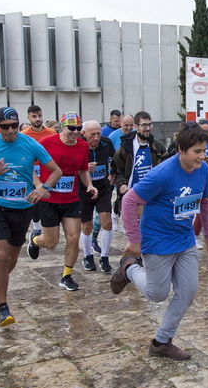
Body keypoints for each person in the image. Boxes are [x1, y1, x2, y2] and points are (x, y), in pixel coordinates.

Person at [110, 123, 208, 361]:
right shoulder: (163, 173)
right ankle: (129, 269)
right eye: (197, 151)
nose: (202, 156)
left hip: (184, 240)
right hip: (157, 241)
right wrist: (134, 239)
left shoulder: (204, 171)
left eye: (204, 150)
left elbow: (206, 202)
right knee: (157, 294)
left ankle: (161, 342)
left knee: (187, 292)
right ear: (181, 149)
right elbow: (128, 201)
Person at [0, 107, 62, 327]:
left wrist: (43, 188)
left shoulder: (29, 144)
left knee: (11, 258)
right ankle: (3, 306)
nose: (10, 130)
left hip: (23, 209)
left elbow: (56, 170)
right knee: (1, 256)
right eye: (5, 127)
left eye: (13, 125)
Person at [27, 112, 98, 292]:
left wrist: (89, 185)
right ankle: (35, 240)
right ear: (62, 127)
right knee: (51, 242)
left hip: (71, 199)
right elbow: (29, 166)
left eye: (78, 129)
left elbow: (83, 170)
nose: (75, 132)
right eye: (71, 128)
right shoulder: (47, 143)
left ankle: (67, 275)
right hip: (49, 199)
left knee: (74, 237)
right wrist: (39, 186)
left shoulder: (82, 146)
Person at [111, 111, 165, 231]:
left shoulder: (158, 146)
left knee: (149, 230)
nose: (147, 128)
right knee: (134, 234)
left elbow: (166, 168)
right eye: (144, 125)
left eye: (149, 125)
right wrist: (122, 184)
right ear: (136, 127)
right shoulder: (126, 148)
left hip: (152, 195)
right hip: (132, 194)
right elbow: (115, 170)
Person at [76, 121, 116, 273]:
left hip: (103, 187)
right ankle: (88, 256)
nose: (96, 137)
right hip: (83, 189)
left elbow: (115, 159)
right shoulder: (78, 146)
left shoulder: (106, 143)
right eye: (92, 134)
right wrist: (84, 167)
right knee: (87, 226)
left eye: (98, 133)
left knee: (107, 221)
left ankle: (104, 257)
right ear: (84, 133)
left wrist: (113, 173)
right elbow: (69, 167)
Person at [21, 105, 59, 233]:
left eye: (39, 116)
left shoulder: (51, 132)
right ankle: (36, 227)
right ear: (28, 117)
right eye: (34, 116)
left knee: (47, 197)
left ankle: (48, 225)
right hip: (30, 171)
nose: (37, 119)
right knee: (34, 198)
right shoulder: (23, 135)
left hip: (47, 170)